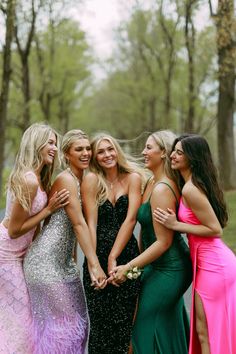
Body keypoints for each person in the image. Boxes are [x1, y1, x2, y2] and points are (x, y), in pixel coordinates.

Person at [24, 129, 107, 354]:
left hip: (65, 265)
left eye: (88, 148)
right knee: (62, 328)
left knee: (80, 325)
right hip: (44, 263)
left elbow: (86, 225)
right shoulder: (66, 179)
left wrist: (76, 259)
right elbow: (78, 224)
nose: (86, 153)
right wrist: (94, 265)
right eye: (78, 149)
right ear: (66, 154)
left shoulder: (85, 179)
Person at [112, 130, 192, 354]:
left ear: (164, 153)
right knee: (165, 326)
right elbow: (145, 230)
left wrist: (129, 267)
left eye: (149, 147)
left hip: (171, 267)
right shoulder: (151, 182)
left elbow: (163, 242)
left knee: (144, 328)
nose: (143, 152)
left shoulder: (162, 189)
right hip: (155, 265)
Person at [154, 134, 236, 354]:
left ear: (193, 157)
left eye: (180, 152)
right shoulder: (190, 184)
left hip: (214, 265)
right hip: (208, 262)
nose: (173, 155)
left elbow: (215, 229)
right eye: (174, 150)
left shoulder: (191, 189)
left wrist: (176, 225)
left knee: (205, 329)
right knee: (205, 329)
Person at [0, 123, 69, 354]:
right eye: (50, 142)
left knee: (17, 319)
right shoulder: (28, 180)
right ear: (36, 143)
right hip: (6, 256)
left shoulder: (39, 177)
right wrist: (48, 210)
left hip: (20, 255)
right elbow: (14, 230)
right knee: (21, 321)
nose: (54, 148)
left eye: (55, 143)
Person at [81, 132, 142, 354]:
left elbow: (131, 219)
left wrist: (113, 257)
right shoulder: (92, 180)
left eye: (110, 149)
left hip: (128, 257)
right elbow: (91, 223)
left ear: (117, 150)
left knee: (127, 326)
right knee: (100, 328)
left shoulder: (133, 178)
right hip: (98, 258)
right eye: (101, 152)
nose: (107, 155)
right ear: (95, 158)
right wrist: (93, 263)